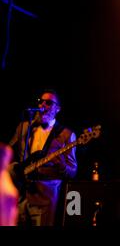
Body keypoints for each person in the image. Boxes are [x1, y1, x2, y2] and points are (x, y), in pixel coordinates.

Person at [8, 90, 77, 226]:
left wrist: (62, 165)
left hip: (45, 198)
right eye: (41, 101)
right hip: (21, 196)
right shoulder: (24, 127)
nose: (43, 105)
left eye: (48, 102)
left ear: (57, 109)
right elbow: (7, 153)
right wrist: (13, 170)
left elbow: (73, 171)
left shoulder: (66, 134)